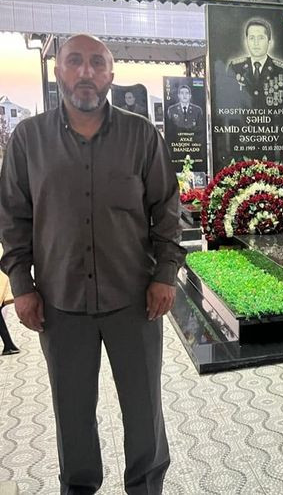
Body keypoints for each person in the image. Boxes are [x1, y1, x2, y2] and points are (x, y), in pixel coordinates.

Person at [0, 34, 185, 495]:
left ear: (111, 74)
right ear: (59, 70)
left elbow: (166, 209)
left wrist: (165, 275)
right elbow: (13, 218)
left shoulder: (141, 135)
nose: (86, 72)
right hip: (60, 303)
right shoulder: (28, 141)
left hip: (135, 301)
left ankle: (146, 487)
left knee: (144, 409)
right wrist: (22, 286)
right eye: (75, 62)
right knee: (72, 412)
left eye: (97, 63)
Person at [227, 18, 283, 108]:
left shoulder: (282, 70)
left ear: (269, 42)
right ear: (246, 41)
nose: (256, 43)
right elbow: (227, 100)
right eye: (252, 38)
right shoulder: (235, 67)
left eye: (261, 38)